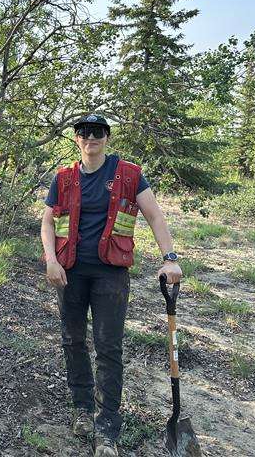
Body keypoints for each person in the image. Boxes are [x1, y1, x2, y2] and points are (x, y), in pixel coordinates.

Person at [40, 114, 182, 457]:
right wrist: (51, 260)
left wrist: (170, 257)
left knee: (108, 347)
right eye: (85, 132)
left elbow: (155, 216)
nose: (92, 137)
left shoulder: (129, 174)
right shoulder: (64, 178)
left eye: (98, 132)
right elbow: (47, 222)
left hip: (110, 274)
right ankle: (82, 409)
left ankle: (107, 425)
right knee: (72, 340)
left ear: (107, 137)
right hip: (69, 273)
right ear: (76, 139)